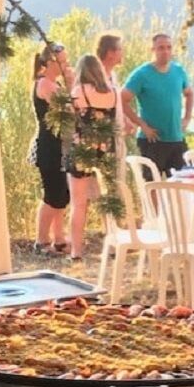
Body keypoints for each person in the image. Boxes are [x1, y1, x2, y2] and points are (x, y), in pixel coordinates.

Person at [66, 54, 118, 261]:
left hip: (82, 151)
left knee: (78, 204)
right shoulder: (113, 92)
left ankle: (76, 251)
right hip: (104, 150)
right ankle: (112, 245)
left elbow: (69, 118)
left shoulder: (78, 92)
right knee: (106, 200)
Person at [121, 34, 194, 176]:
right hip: (152, 140)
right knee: (152, 184)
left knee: (185, 182)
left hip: (176, 138)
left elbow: (189, 93)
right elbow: (122, 99)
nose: (165, 51)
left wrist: (187, 118)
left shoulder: (178, 71)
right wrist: (142, 125)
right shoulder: (142, 74)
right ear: (152, 49)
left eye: (169, 47)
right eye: (161, 48)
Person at [31, 43, 71, 255]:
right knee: (53, 195)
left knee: (61, 193)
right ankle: (42, 240)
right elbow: (68, 109)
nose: (66, 65)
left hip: (60, 146)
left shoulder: (55, 84)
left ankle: (59, 238)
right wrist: (72, 84)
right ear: (49, 63)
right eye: (62, 61)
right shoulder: (45, 85)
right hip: (49, 146)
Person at [95, 32, 130, 180]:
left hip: (117, 136)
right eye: (120, 49)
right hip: (103, 139)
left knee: (118, 178)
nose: (122, 53)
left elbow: (116, 103)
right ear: (110, 53)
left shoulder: (113, 75)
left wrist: (125, 119)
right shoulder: (96, 77)